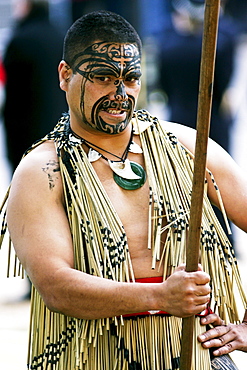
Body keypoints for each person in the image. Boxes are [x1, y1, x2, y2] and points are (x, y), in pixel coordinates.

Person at [1, 10, 247, 370]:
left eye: (130, 78)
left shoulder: (187, 148)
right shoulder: (43, 171)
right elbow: (55, 285)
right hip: (96, 358)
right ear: (65, 75)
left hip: (198, 354)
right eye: (103, 77)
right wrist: (161, 296)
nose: (120, 93)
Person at [3, 0, 67, 172]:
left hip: (26, 137)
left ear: (27, 6)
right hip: (61, 134)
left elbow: (12, 99)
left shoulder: (19, 41)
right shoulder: (62, 38)